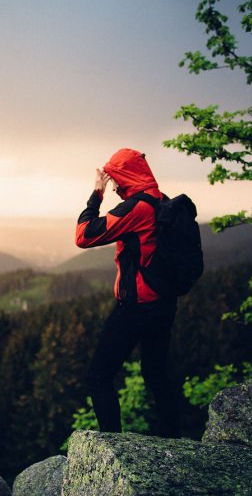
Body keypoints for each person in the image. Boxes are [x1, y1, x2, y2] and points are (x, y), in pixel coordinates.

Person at [75, 147, 181, 437]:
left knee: (99, 376)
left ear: (125, 175)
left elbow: (83, 235)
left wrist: (97, 194)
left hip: (136, 309)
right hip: (164, 303)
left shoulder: (138, 207)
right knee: (156, 375)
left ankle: (113, 447)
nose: (117, 186)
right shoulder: (162, 201)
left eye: (117, 178)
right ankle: (178, 440)